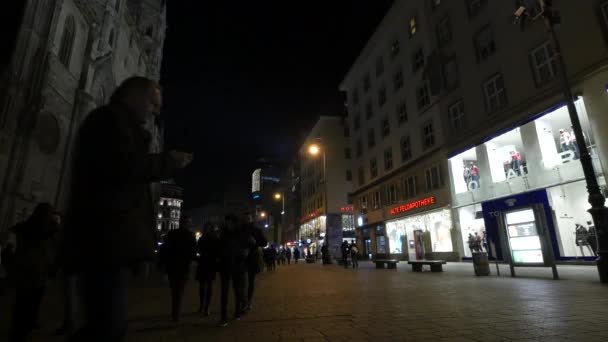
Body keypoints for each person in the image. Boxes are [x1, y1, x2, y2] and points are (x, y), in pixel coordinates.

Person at [63, 76, 193, 341]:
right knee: (107, 328)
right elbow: (125, 166)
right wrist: (168, 162)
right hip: (103, 238)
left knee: (107, 326)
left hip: (109, 241)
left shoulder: (117, 122)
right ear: (135, 97)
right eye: (153, 104)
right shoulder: (109, 121)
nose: (155, 111)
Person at [10, 203, 60, 342]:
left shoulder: (27, 228)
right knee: (28, 304)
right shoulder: (45, 231)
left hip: (29, 272)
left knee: (24, 305)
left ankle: (21, 329)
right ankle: (21, 331)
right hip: (35, 272)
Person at [218, 214, 255, 327]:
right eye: (227, 222)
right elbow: (219, 247)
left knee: (237, 290)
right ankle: (223, 317)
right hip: (225, 265)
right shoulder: (223, 233)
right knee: (224, 292)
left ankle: (237, 312)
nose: (229, 224)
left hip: (238, 265)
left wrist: (247, 251)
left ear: (235, 223)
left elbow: (252, 243)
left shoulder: (242, 234)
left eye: (231, 222)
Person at [161, 216, 196, 322]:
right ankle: (176, 313)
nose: (189, 224)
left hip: (175, 266)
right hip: (181, 266)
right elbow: (192, 252)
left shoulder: (172, 234)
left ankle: (175, 313)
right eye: (188, 222)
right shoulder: (190, 235)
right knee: (178, 291)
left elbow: (166, 250)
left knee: (176, 291)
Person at [243, 220, 267, 312]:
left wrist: (255, 242)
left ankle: (248, 301)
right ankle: (245, 301)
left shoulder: (256, 230)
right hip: (242, 259)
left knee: (250, 282)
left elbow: (264, 242)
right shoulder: (240, 230)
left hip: (252, 258)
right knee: (244, 283)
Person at [196, 223, 219, 317]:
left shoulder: (213, 238)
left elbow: (198, 249)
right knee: (203, 286)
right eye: (205, 227)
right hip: (205, 262)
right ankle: (203, 306)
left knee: (207, 285)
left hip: (208, 263)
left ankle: (206, 307)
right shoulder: (204, 238)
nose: (206, 229)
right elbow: (198, 249)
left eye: (208, 228)